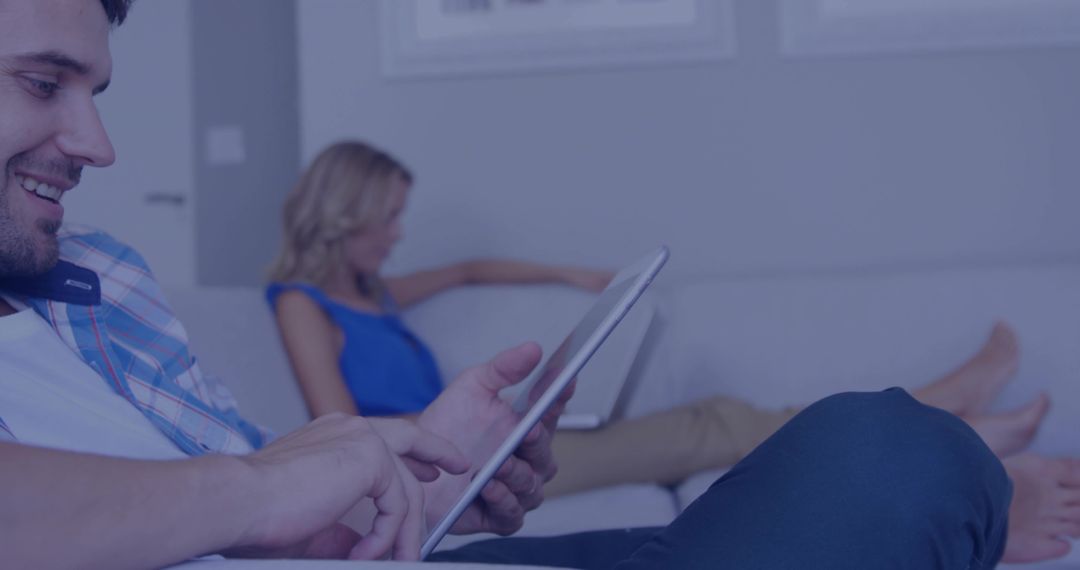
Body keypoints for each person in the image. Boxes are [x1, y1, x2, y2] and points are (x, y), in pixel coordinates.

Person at [0, 1, 1072, 568]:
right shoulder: (302, 300)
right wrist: (278, 485)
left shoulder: (93, 279)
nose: (96, 142)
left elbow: (233, 503)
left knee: (856, 465)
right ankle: (969, 460)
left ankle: (973, 487)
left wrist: (414, 481)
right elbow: (258, 484)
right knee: (891, 457)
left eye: (94, 90)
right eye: (43, 82)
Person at [267, 140, 1055, 495]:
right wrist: (460, 442)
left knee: (717, 423)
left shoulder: (379, 292)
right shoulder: (303, 304)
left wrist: (572, 273)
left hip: (484, 445)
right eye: (390, 217)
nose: (399, 233)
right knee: (713, 426)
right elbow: (339, 432)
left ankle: (939, 419)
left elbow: (472, 267)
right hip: (444, 474)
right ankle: (943, 416)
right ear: (347, 214)